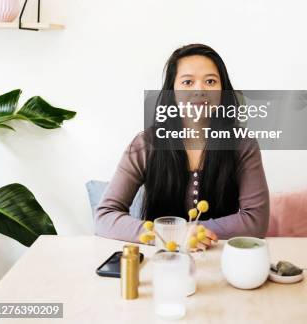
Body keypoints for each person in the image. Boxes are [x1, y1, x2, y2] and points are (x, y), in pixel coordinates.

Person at [94, 43, 269, 247]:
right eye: (187, 82)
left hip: (220, 257)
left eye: (210, 81)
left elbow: (256, 222)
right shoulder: (145, 144)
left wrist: (196, 232)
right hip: (161, 259)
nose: (199, 90)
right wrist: (174, 234)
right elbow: (104, 217)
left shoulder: (242, 145)